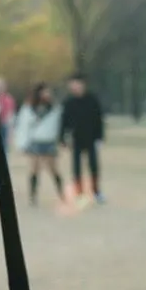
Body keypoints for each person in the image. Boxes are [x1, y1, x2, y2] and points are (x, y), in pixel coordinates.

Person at [13, 81, 64, 206]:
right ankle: (33, 196)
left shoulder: (54, 107)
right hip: (36, 141)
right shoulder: (29, 108)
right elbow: (23, 125)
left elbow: (59, 124)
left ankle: (61, 193)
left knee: (53, 169)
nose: (47, 94)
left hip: (49, 141)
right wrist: (22, 143)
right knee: (34, 169)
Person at [59, 71, 106, 203]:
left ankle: (96, 191)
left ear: (83, 85)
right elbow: (64, 122)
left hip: (91, 138)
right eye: (72, 85)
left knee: (93, 166)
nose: (74, 87)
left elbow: (99, 119)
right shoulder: (69, 102)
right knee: (76, 167)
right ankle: (79, 192)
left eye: (77, 84)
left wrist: (100, 137)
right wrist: (62, 138)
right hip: (76, 139)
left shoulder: (92, 99)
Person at [0, 75, 16, 152]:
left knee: (3, 150)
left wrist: (10, 134)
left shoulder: (8, 99)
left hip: (3, 127)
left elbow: (10, 118)